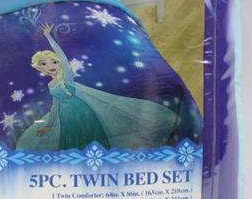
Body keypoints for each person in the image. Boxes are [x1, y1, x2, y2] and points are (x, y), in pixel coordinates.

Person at [16, 23, 182, 152]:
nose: (51, 66)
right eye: (44, 64)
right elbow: (55, 105)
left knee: (93, 137)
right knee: (71, 142)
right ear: (40, 68)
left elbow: (63, 57)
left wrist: (49, 37)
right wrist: (49, 124)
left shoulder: (67, 76)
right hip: (65, 117)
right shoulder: (51, 84)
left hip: (83, 111)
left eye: (54, 61)